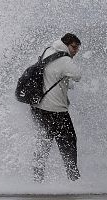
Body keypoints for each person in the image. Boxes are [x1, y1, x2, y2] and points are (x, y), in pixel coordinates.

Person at [30, 32, 82, 182]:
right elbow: (78, 75)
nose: (75, 51)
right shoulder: (65, 59)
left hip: (38, 107)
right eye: (73, 47)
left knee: (44, 142)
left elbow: (50, 74)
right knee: (69, 142)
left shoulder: (48, 50)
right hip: (55, 110)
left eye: (77, 48)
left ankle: (36, 180)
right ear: (66, 44)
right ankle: (74, 180)